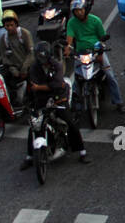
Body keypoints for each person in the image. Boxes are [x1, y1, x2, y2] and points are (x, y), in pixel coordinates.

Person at [20, 41, 87, 170]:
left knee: (70, 122)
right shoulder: (34, 67)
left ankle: (82, 151)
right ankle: (29, 156)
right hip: (42, 99)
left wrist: (40, 87)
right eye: (40, 58)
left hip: (58, 97)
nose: (42, 61)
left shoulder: (57, 65)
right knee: (34, 126)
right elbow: (33, 84)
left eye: (44, 58)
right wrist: (40, 89)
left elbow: (58, 84)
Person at [63, 0, 124, 112]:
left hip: (96, 52)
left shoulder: (96, 21)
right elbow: (70, 39)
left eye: (80, 10)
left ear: (86, 9)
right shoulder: (71, 23)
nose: (79, 13)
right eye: (76, 11)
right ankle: (76, 105)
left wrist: (100, 53)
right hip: (81, 53)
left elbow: (102, 38)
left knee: (110, 75)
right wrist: (68, 49)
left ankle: (118, 102)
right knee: (77, 78)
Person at [0, 9, 34, 104]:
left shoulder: (24, 34)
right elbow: (4, 56)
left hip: (27, 66)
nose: (9, 28)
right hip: (14, 69)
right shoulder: (3, 39)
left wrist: (24, 69)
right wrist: (12, 69)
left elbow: (31, 54)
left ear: (16, 24)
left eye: (11, 25)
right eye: (7, 26)